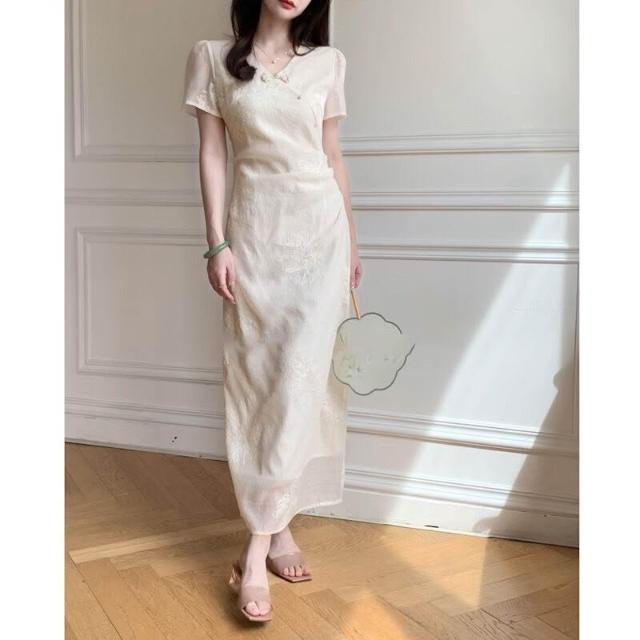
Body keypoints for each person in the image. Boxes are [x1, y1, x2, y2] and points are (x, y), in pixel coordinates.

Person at [183, 0, 362, 622]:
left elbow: (332, 155)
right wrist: (217, 243)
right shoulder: (212, 59)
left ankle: (256, 552)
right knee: (260, 384)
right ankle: (279, 529)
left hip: (321, 238)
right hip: (256, 239)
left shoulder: (329, 63)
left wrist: (352, 245)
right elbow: (213, 154)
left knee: (301, 386)